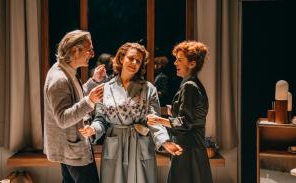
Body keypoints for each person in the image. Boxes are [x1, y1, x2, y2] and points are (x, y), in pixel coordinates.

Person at [79, 42, 182, 183]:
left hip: (141, 144)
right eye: (131, 58)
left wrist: (165, 141)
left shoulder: (148, 89)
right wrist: (92, 129)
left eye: (138, 61)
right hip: (114, 146)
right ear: (121, 58)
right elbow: (100, 119)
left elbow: (154, 120)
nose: (134, 63)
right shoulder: (106, 88)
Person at [43, 30, 106, 183]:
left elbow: (74, 97)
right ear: (75, 50)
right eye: (89, 49)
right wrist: (90, 101)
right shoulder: (59, 79)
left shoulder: (66, 71)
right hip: (73, 151)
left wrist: (93, 81)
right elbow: (63, 119)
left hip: (71, 148)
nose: (92, 53)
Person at [147, 41, 213, 183]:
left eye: (179, 60)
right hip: (193, 146)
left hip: (188, 148)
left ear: (192, 64)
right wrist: (174, 113)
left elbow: (185, 123)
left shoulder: (189, 86)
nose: (175, 63)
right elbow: (191, 117)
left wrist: (159, 120)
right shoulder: (193, 84)